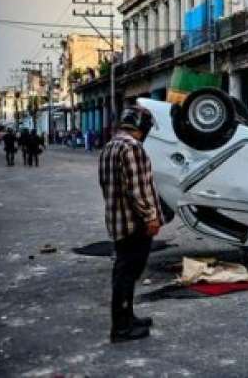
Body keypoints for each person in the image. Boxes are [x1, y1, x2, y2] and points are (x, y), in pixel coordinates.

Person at [98, 106, 164, 343]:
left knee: (125, 272)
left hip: (117, 220)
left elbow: (106, 185)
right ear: (142, 126)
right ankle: (121, 329)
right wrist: (151, 217)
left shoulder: (110, 146)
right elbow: (137, 190)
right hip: (134, 223)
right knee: (127, 273)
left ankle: (128, 317)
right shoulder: (132, 147)